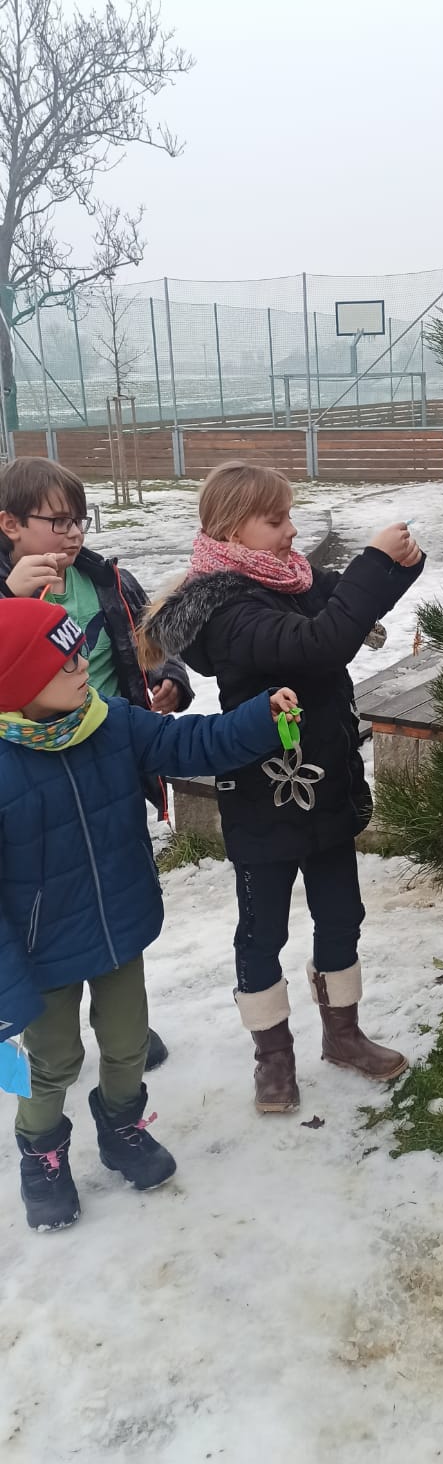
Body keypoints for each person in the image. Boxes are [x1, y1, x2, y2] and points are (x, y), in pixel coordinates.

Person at [0, 596, 298, 1232]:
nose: (84, 665)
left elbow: (189, 742)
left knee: (128, 1042)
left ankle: (122, 1129)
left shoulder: (109, 721)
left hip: (118, 924)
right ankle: (41, 1155)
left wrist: (258, 718)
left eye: (81, 652)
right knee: (51, 1062)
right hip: (39, 953)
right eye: (64, 661)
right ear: (21, 681)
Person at [140, 461, 425, 1115]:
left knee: (342, 916)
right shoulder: (228, 610)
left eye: (291, 516)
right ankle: (272, 1058)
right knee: (261, 931)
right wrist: (373, 564)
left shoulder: (290, 579)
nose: (292, 531)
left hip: (326, 785)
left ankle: (343, 1035)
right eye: (276, 520)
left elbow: (349, 607)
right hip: (261, 800)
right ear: (230, 530)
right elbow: (323, 643)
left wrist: (400, 564)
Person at [0, 458, 195, 1072]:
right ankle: (50, 1035)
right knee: (46, 907)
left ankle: (122, 1022)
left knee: (114, 888)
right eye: (57, 521)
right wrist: (9, 598)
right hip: (29, 784)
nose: (73, 533)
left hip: (110, 764)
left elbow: (150, 645)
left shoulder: (105, 578)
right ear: (10, 524)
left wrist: (170, 681)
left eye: (80, 519)